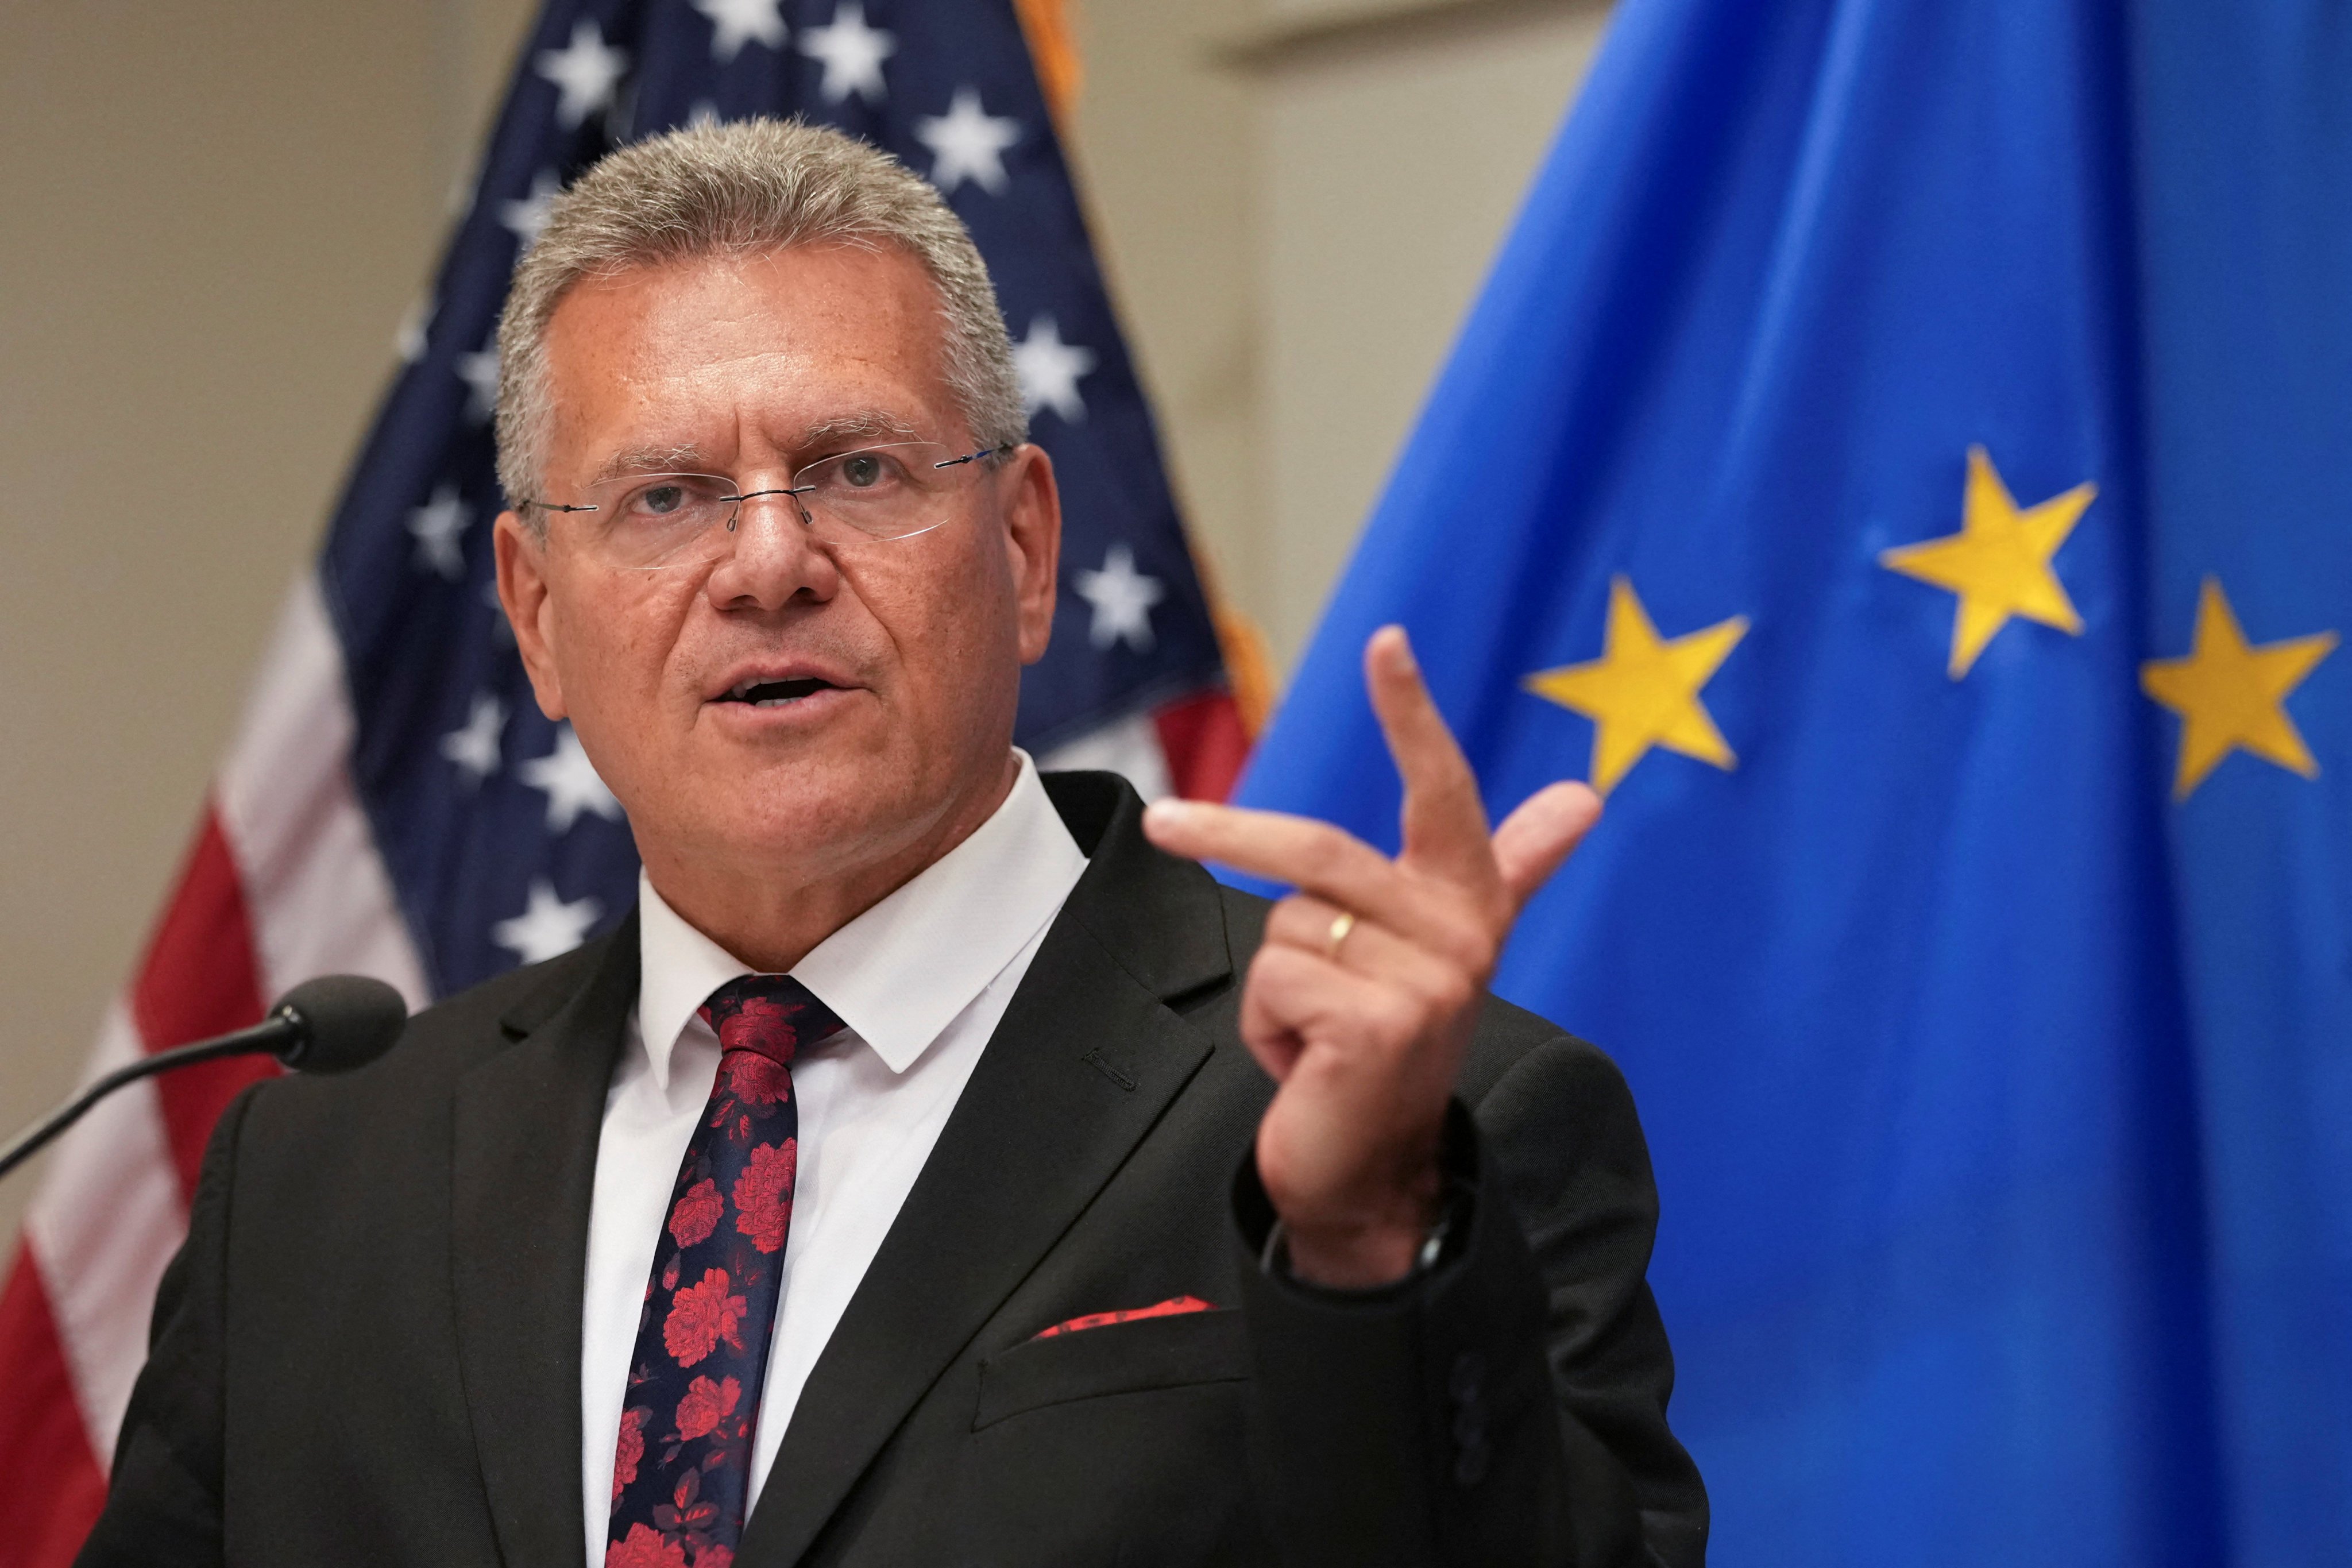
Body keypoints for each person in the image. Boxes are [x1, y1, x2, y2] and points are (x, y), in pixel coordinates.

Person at [79, 119, 1706, 1568]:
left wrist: (1365, 1251)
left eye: (856, 469)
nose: (769, 560)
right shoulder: (309, 1189)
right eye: (664, 498)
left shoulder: (1424, 1129)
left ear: (1023, 545)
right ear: (536, 617)